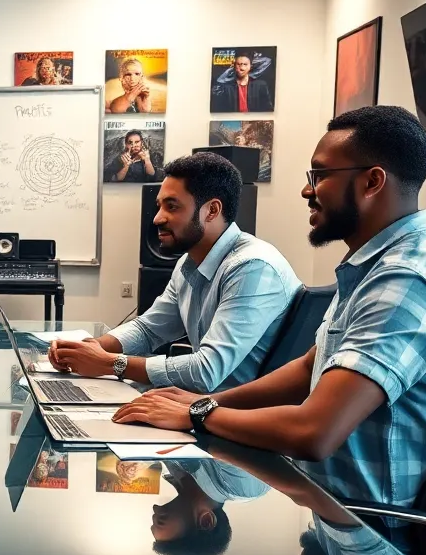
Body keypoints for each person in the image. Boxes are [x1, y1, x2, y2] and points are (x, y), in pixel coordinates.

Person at [114, 106, 426, 534]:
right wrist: (210, 403)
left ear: (372, 181)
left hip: (371, 537)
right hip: (324, 509)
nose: (306, 192)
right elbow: (311, 365)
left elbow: (315, 431)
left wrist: (197, 412)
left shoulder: (407, 281)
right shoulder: (376, 267)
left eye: (319, 175)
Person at [57, 153, 299, 392]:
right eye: (159, 206)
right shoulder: (189, 262)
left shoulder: (253, 267)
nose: (157, 218)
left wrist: (110, 363)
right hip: (199, 405)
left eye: (172, 207)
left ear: (212, 211)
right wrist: (86, 350)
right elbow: (148, 330)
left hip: (238, 419)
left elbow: (206, 371)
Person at [151, 460, 267, 555]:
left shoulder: (169, 474)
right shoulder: (245, 485)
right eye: (162, 519)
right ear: (206, 521)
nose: (155, 508)